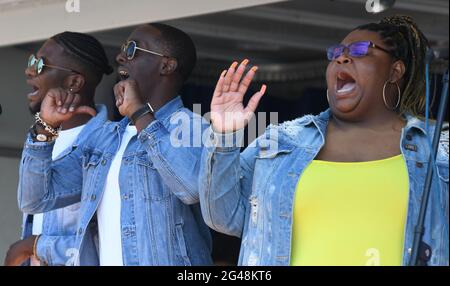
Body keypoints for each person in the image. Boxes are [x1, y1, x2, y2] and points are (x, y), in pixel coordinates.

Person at [199, 15, 449, 266]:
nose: (342, 57)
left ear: (395, 71)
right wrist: (223, 135)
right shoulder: (284, 141)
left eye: (361, 51)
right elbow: (224, 216)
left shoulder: (438, 148)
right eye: (336, 52)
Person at [17, 23, 213, 266]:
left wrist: (140, 113)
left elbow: (191, 188)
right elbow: (36, 199)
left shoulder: (191, 125)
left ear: (166, 65)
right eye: (122, 49)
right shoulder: (106, 137)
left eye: (132, 49)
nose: (120, 56)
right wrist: (43, 129)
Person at [4, 32, 112, 266]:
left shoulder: (107, 146)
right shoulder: (41, 139)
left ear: (74, 82)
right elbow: (30, 206)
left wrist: (31, 246)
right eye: (32, 61)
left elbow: (112, 244)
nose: (29, 70)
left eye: (40, 64)